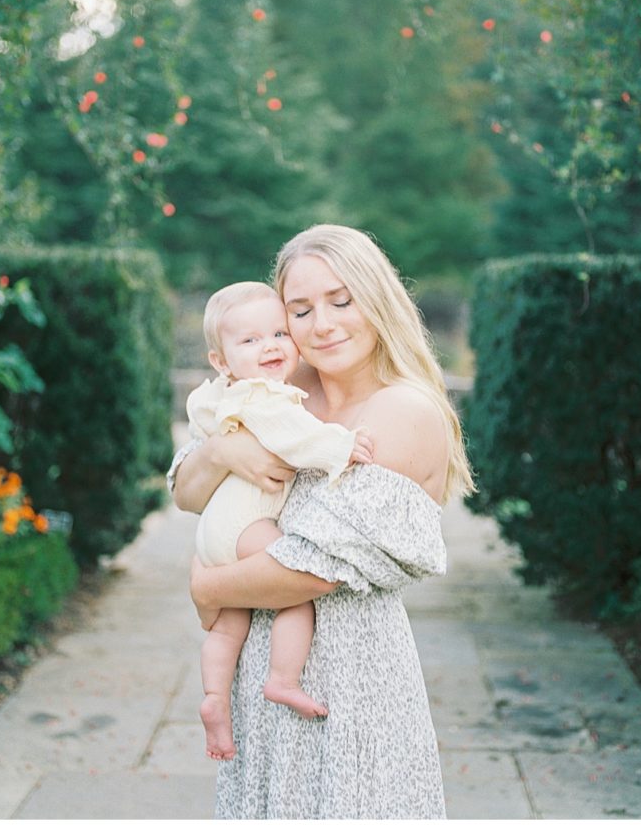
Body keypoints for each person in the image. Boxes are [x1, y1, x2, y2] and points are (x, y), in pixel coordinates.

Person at [167, 224, 475, 819]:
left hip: (347, 680)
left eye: (341, 300)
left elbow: (314, 570)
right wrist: (223, 452)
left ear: (377, 298)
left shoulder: (402, 410)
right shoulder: (282, 389)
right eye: (300, 310)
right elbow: (185, 489)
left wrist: (206, 584)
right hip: (258, 673)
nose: (323, 324)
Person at [187, 280, 373, 760]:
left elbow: (201, 425)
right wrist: (342, 446)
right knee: (295, 592)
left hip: (214, 534)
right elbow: (297, 439)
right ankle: (282, 679)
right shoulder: (266, 398)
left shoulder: (220, 396)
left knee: (229, 628)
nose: (269, 346)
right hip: (247, 524)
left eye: (277, 333)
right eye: (249, 341)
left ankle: (214, 700)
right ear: (221, 361)